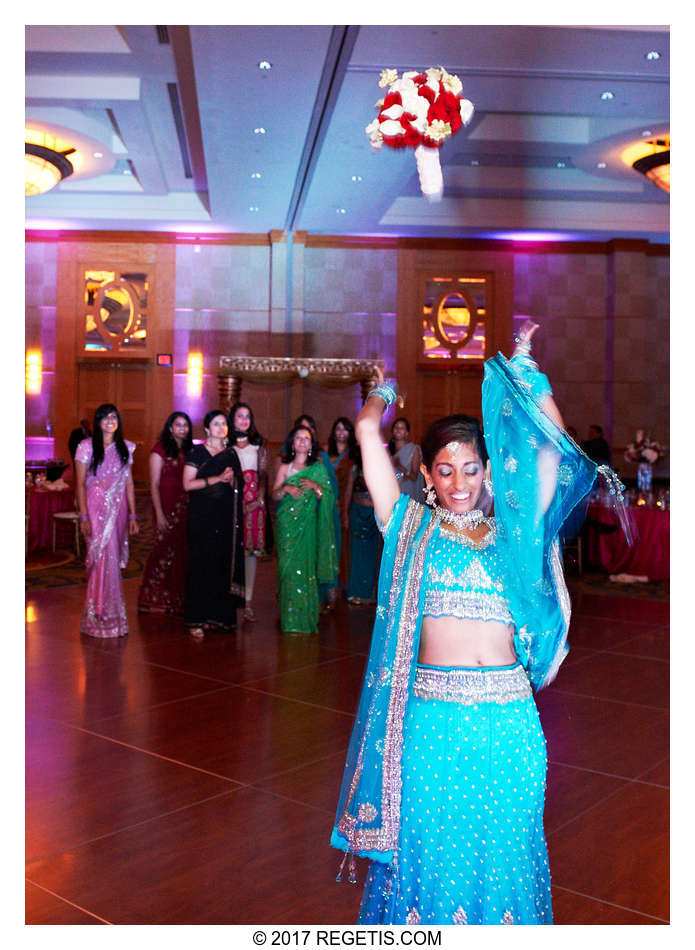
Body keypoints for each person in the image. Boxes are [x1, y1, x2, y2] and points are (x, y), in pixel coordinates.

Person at [331, 322, 600, 925]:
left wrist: (525, 370)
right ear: (425, 475)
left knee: (505, 857)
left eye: (471, 468)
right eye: (445, 471)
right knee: (428, 859)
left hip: (508, 724)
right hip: (431, 726)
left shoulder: (515, 534)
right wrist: (384, 390)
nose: (459, 483)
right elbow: (368, 431)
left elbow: (555, 446)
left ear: (489, 472)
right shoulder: (408, 528)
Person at [75, 404, 139, 638]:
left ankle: (111, 614)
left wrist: (133, 514)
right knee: (100, 558)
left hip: (118, 509)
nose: (110, 421)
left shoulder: (126, 448)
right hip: (94, 507)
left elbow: (130, 483)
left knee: (111, 560)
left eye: (114, 417)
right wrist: (83, 516)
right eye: (105, 417)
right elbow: (80, 483)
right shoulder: (85, 447)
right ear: (98, 421)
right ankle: (97, 613)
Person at [182, 410, 245, 638]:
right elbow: (187, 484)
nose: (221, 428)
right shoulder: (198, 452)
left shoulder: (231, 454)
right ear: (207, 429)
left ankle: (218, 617)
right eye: (216, 424)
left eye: (224, 424)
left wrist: (234, 481)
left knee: (221, 565)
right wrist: (218, 479)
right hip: (202, 517)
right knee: (202, 565)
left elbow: (240, 484)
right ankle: (197, 619)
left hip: (225, 517)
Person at [271, 424, 338, 634]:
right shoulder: (284, 466)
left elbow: (328, 496)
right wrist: (285, 488)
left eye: (306, 438)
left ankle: (305, 618)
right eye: (298, 438)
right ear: (292, 442)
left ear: (311, 444)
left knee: (306, 567)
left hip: (307, 526)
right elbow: (273, 495)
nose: (302, 441)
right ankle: (289, 617)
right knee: (286, 569)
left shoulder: (317, 469)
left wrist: (316, 487)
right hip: (286, 526)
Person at [137, 412, 193, 615]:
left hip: (184, 507)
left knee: (180, 551)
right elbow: (153, 485)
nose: (182, 429)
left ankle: (175, 598)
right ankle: (153, 598)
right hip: (165, 507)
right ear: (170, 427)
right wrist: (159, 514)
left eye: (185, 425)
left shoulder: (189, 450)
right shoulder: (159, 450)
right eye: (178, 425)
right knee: (162, 550)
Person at [289, 413, 340, 611]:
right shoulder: (287, 458)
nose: (304, 435)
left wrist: (317, 490)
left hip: (320, 514)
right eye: (300, 430)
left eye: (309, 429)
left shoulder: (321, 458)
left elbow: (331, 489)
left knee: (317, 553)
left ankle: (319, 596)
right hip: (293, 517)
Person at [228, 401, 272, 622]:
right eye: (239, 416)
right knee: (229, 552)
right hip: (231, 505)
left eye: (247, 416)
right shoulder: (226, 445)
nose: (244, 420)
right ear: (232, 419)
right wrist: (236, 505)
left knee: (250, 556)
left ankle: (248, 603)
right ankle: (229, 598)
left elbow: (263, 476)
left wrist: (257, 501)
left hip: (255, 507)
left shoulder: (259, 446)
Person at [345, 447, 381, 605]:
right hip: (357, 512)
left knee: (372, 554)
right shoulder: (355, 468)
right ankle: (355, 592)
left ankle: (369, 593)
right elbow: (348, 491)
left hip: (374, 515)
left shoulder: (380, 467)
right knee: (357, 553)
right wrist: (345, 514)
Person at [327, 417, 358, 591]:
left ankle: (341, 582)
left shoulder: (352, 457)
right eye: (338, 429)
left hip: (344, 505)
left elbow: (350, 486)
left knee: (342, 544)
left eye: (345, 429)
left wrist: (345, 510)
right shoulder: (326, 454)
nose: (341, 432)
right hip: (325, 503)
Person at [388, 417, 424, 502]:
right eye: (396, 427)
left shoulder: (413, 450)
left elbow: (414, 476)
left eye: (402, 428)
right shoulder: (388, 450)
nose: (398, 430)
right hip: (391, 493)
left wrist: (399, 466)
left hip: (407, 494)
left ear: (407, 433)